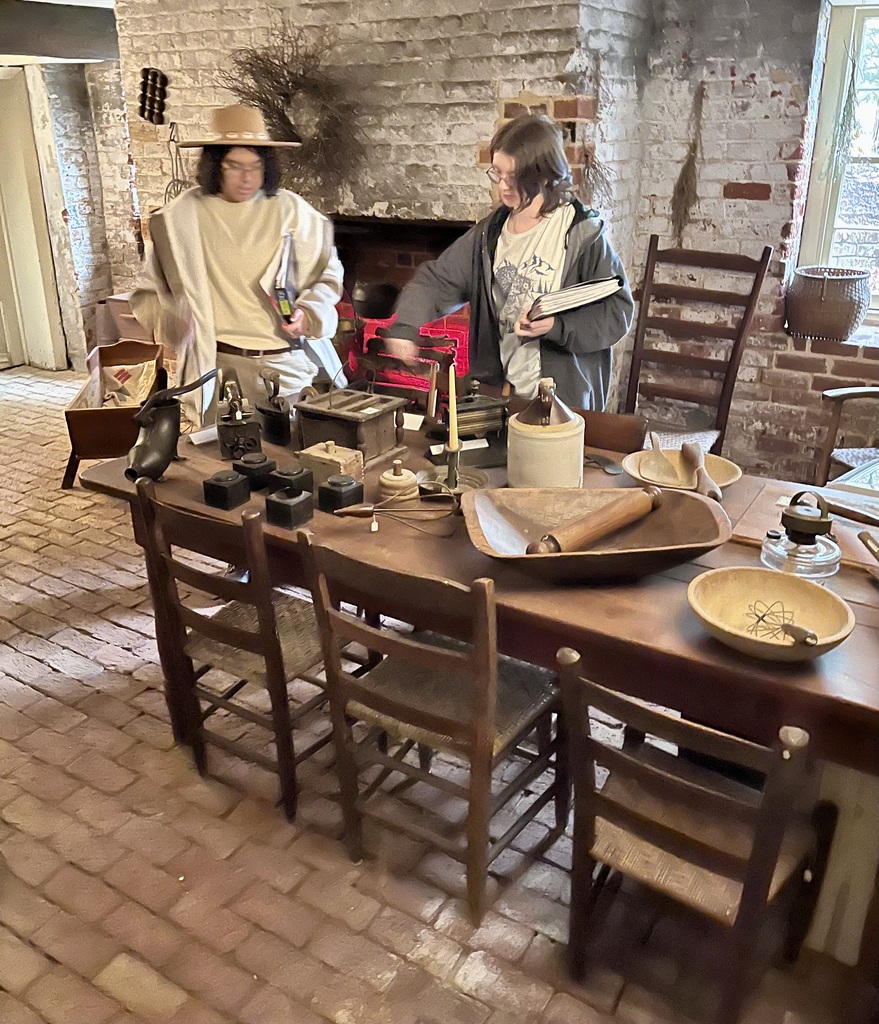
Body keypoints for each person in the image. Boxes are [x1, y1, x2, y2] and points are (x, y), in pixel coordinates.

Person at [386, 114, 634, 410]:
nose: (502, 186)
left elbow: (617, 312)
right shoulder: (488, 236)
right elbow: (436, 281)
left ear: (543, 175)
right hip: (501, 398)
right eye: (497, 174)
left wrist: (557, 326)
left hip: (564, 405)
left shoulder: (583, 237)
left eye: (513, 177)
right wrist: (405, 327)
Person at [131, 104, 344, 428]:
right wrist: (173, 324)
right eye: (234, 166)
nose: (247, 178)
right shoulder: (179, 220)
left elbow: (329, 275)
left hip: (283, 367)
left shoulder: (293, 213)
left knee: (295, 462)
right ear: (215, 165)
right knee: (221, 469)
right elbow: (145, 295)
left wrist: (309, 314)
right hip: (215, 368)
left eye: (255, 166)